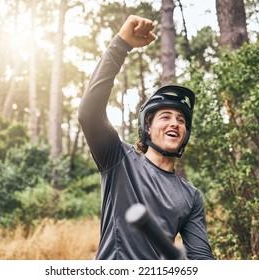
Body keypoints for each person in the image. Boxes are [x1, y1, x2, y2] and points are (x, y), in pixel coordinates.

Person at [78, 15, 214, 260]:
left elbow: (202, 260)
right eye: (165, 117)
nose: (175, 122)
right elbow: (88, 114)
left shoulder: (191, 196)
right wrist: (121, 45)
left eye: (181, 120)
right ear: (147, 128)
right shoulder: (119, 160)